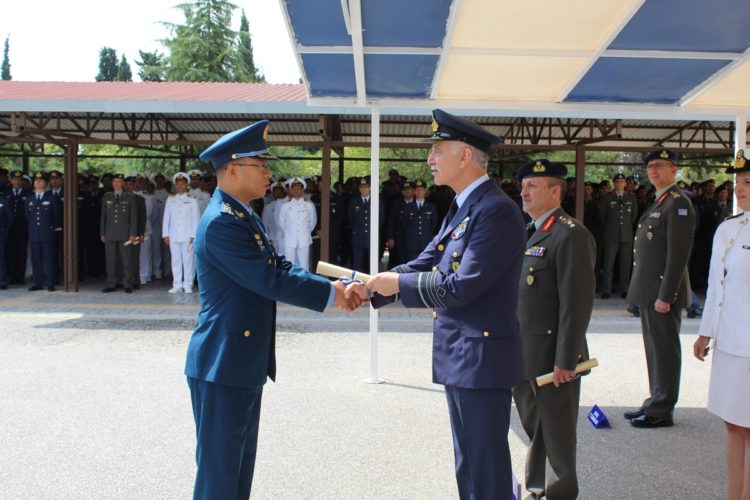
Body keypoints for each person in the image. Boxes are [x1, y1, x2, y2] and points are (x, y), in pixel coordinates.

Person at [184, 119, 364, 500]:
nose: (269, 172)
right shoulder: (221, 223)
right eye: (260, 164)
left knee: (238, 473)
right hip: (222, 363)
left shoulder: (244, 214)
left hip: (241, 362)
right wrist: (332, 295)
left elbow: (279, 265)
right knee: (219, 477)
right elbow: (268, 279)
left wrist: (332, 286)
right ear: (232, 170)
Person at [366, 109, 526, 499]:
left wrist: (395, 283)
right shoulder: (465, 206)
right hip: (463, 354)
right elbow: (426, 262)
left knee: (484, 467)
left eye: (437, 150)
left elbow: (461, 286)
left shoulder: (495, 210)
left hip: (481, 359)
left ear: (465, 156)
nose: (429, 159)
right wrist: (369, 286)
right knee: (468, 461)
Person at [513, 159, 595, 499]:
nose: (524, 192)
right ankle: (538, 486)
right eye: (523, 186)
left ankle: (560, 491)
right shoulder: (530, 231)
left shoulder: (571, 234)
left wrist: (567, 358)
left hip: (552, 355)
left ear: (555, 192)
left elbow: (576, 304)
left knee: (557, 430)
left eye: (532, 186)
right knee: (537, 427)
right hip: (523, 349)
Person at [693, 149, 750, 500]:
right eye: (738, 181)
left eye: (748, 182)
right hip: (729, 342)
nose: (739, 188)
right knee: (732, 422)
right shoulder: (729, 228)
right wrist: (705, 331)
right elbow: (716, 286)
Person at [625, 149, 696, 428]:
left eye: (659, 165)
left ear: (673, 169)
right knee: (654, 350)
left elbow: (677, 256)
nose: (653, 170)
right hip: (650, 290)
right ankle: (655, 400)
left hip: (662, 293)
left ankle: (662, 409)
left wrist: (666, 296)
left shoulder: (678, 203)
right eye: (650, 167)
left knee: (665, 351)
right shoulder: (661, 200)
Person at [598, 173, 638, 299]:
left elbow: (634, 216)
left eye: (622, 181)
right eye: (617, 181)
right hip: (611, 235)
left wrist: (624, 227)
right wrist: (612, 227)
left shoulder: (631, 197)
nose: (620, 183)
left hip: (626, 235)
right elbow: (602, 216)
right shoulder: (607, 197)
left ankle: (624, 289)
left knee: (625, 264)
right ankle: (606, 290)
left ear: (625, 183)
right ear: (614, 183)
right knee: (608, 264)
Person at [162, 172, 200, 294]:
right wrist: (165, 234)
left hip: (188, 235)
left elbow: (196, 219)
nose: (180, 186)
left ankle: (188, 284)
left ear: (186, 185)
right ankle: (177, 284)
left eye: (182, 184)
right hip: (173, 235)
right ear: (175, 185)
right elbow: (166, 218)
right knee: (175, 260)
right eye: (178, 184)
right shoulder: (170, 199)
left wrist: (194, 235)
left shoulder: (192, 200)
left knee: (188, 261)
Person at [100, 173, 138, 293]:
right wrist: (102, 232)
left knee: (126, 260)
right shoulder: (107, 196)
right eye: (115, 181)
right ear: (112, 183)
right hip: (110, 233)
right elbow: (103, 216)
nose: (117, 183)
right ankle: (111, 284)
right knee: (110, 260)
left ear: (123, 183)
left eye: (119, 181)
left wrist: (132, 234)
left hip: (125, 233)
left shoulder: (129, 197)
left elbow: (133, 218)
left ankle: (127, 284)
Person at [25, 172, 61, 291]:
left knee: (49, 258)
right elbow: (27, 216)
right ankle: (37, 283)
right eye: (36, 181)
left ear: (46, 183)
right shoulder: (29, 199)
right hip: (34, 233)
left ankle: (50, 282)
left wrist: (50, 227)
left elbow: (56, 217)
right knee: (36, 259)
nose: (38, 183)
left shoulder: (51, 198)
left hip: (47, 233)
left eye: (41, 181)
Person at [277, 177, 317, 271]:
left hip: (304, 238)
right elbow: (281, 222)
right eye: (294, 189)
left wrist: (305, 231)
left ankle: (305, 280)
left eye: (298, 188)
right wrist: (289, 232)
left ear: (302, 190)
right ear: (291, 190)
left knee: (304, 264)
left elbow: (312, 222)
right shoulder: (286, 205)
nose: (296, 191)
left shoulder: (309, 205)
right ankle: (289, 280)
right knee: (289, 263)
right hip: (290, 238)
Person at [7, 170, 30, 285]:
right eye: (15, 179)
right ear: (11, 181)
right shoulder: (5, 193)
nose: (17, 182)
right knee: (10, 251)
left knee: (21, 252)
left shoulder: (28, 194)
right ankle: (12, 275)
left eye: (19, 180)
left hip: (22, 228)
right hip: (9, 229)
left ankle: (20, 276)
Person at [0, 189, 12, 289]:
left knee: (1, 258)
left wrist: (4, 232)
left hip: (1, 234)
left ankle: (2, 281)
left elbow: (9, 218)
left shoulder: (3, 200)